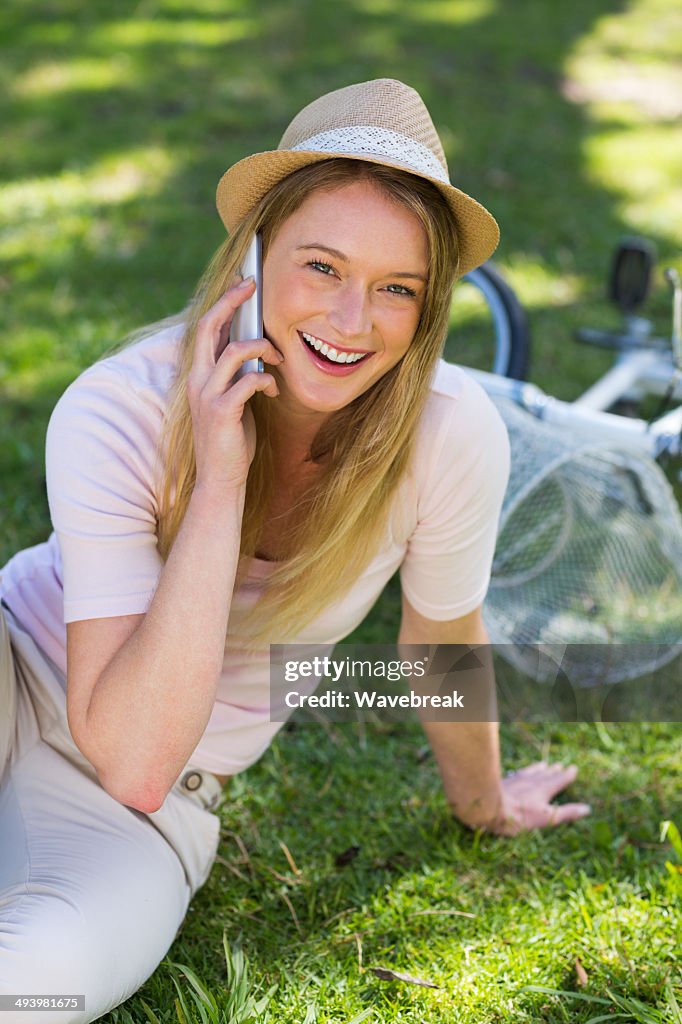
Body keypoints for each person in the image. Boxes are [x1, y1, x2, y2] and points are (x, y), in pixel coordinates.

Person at [0, 78, 591, 1022]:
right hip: (15, 666)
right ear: (256, 255)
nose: (353, 322)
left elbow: (140, 762)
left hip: (153, 789)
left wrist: (486, 804)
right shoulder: (120, 406)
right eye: (322, 266)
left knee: (36, 990)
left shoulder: (449, 436)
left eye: (395, 288)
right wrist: (215, 469)